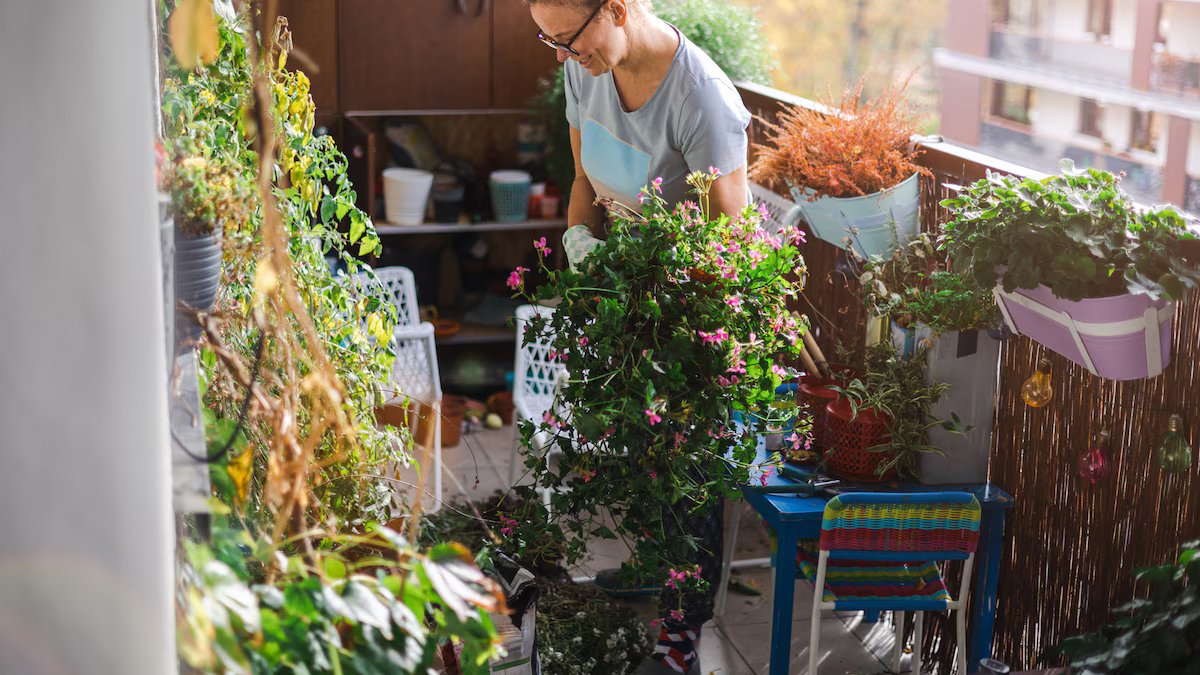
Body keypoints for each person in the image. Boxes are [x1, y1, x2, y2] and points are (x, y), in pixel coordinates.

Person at [527, 1, 753, 672]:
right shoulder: (584, 65)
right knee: (644, 460)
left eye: (570, 40)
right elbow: (582, 180)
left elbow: (728, 247)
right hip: (627, 302)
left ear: (618, 10)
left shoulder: (699, 98)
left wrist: (653, 295)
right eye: (552, 43)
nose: (566, 57)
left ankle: (684, 633)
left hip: (691, 317)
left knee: (688, 478)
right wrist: (579, 244)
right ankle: (656, 575)